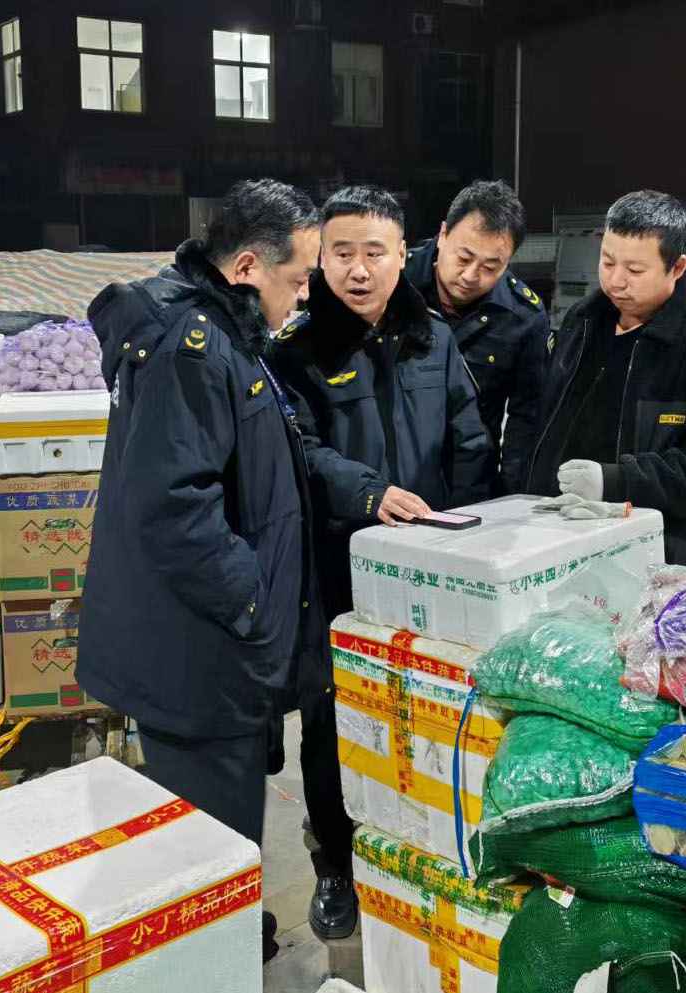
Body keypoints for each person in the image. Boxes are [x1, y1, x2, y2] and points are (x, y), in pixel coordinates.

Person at [76, 179, 324, 964]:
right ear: (247, 266)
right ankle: (215, 956)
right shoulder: (192, 347)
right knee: (212, 837)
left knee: (225, 831)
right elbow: (175, 510)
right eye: (298, 278)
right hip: (198, 655)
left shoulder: (224, 330)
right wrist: (252, 603)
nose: (305, 295)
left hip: (214, 649)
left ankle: (228, 934)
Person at [271, 185, 492, 939]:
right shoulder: (296, 351)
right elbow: (298, 450)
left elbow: (468, 437)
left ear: (404, 254)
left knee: (429, 706)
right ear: (319, 258)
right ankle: (335, 863)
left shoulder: (434, 339)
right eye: (342, 253)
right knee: (333, 716)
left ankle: (422, 847)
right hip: (339, 566)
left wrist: (474, 534)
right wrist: (369, 494)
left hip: (430, 564)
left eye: (374, 252)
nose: (358, 270)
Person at [523, 190, 686, 569]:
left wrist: (616, 482)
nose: (615, 282)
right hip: (563, 539)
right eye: (607, 262)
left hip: (667, 557)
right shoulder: (583, 322)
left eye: (635, 271)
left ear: (677, 267)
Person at [406, 180, 549, 493]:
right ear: (443, 234)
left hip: (472, 484)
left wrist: (511, 497)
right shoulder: (395, 284)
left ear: (508, 261)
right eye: (463, 257)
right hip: (395, 479)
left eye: (490, 266)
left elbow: (527, 418)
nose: (471, 276)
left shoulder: (523, 317)